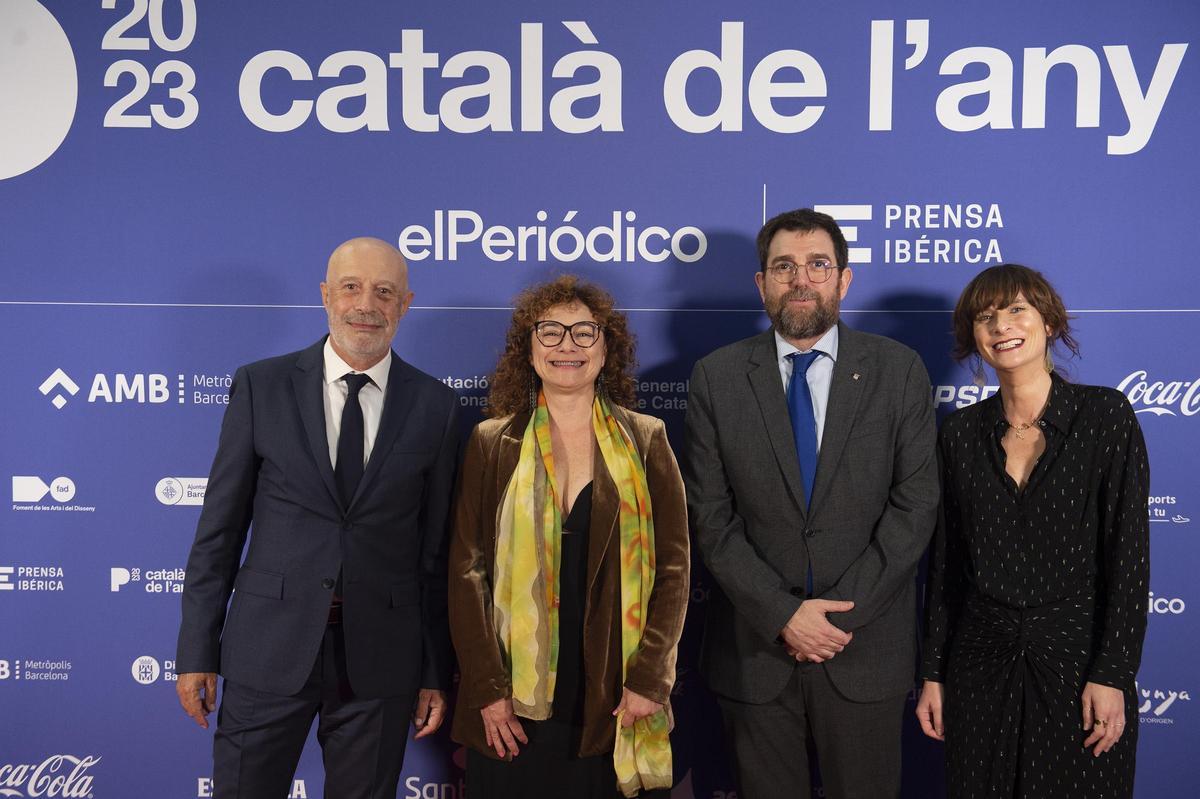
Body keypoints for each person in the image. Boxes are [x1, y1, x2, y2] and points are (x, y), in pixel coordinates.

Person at [174, 237, 460, 799]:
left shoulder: (436, 406)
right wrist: (196, 651)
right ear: (326, 296)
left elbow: (436, 556)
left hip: (381, 661)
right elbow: (219, 533)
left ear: (405, 304)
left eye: (384, 292)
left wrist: (433, 669)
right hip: (267, 650)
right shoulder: (261, 385)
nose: (366, 304)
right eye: (351, 287)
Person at [683, 208, 939, 798]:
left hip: (864, 652)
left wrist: (833, 622)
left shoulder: (898, 371)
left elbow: (915, 507)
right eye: (784, 266)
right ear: (762, 283)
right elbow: (710, 518)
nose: (801, 279)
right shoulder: (716, 378)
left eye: (818, 265)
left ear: (844, 279)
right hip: (756, 654)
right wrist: (783, 615)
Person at [448, 275, 689, 798]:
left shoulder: (647, 439)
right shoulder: (492, 443)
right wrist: (488, 691)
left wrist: (651, 680)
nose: (567, 346)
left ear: (607, 347)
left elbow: (674, 571)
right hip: (513, 698)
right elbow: (467, 573)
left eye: (584, 332)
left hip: (617, 694)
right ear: (528, 347)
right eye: (551, 332)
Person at [916, 264, 1149, 798]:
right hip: (979, 668)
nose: (1001, 325)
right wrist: (933, 672)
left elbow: (1129, 559)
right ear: (973, 337)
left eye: (1016, 309)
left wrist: (1112, 673)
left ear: (1048, 321)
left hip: (1078, 669)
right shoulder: (958, 434)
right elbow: (948, 567)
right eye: (985, 316)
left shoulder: (1104, 415)